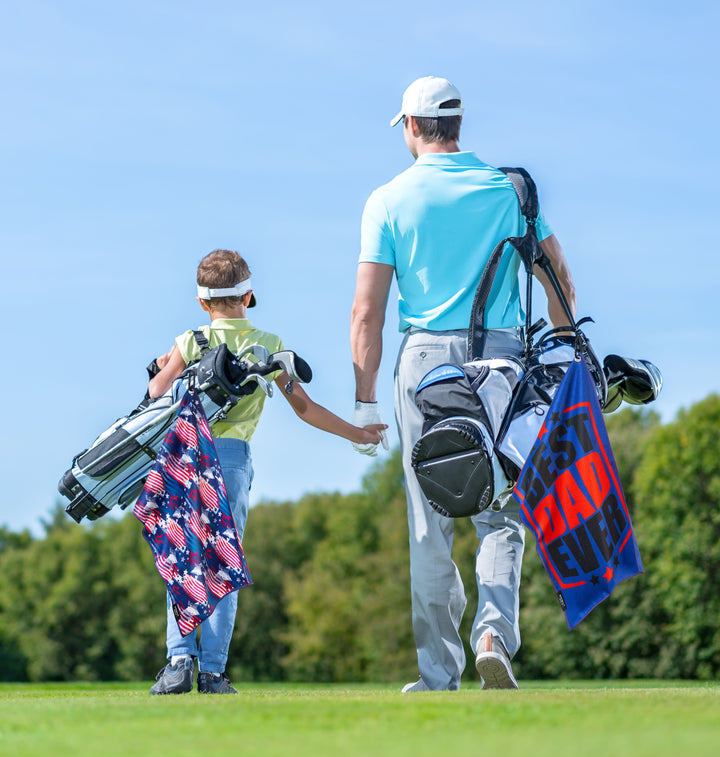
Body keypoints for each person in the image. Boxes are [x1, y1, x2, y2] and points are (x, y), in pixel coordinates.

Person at [350, 76, 576, 691]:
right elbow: (561, 282)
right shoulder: (511, 190)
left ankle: (439, 673)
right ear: (456, 124)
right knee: (500, 511)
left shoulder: (389, 199)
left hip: (424, 363)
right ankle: (493, 635)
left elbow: (366, 312)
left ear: (413, 127)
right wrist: (561, 368)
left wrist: (363, 400)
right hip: (501, 361)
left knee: (431, 518)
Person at [148, 248, 386, 695]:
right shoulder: (270, 345)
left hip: (184, 454)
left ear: (203, 302)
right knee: (223, 562)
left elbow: (156, 392)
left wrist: (164, 369)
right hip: (232, 460)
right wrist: (357, 434)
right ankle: (214, 674)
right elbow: (305, 408)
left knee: (183, 557)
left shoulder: (190, 340)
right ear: (248, 295)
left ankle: (179, 662)